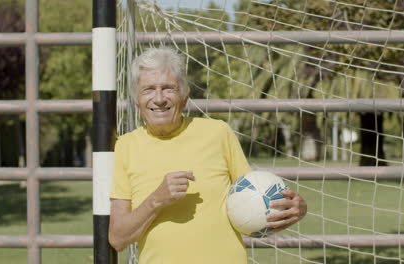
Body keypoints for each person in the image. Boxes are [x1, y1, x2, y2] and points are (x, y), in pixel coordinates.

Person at [108, 47, 307, 264]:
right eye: (148, 89)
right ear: (137, 100)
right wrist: (157, 199)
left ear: (184, 97)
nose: (159, 98)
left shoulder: (218, 133)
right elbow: (118, 238)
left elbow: (255, 205)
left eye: (168, 88)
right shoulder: (125, 146)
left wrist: (294, 210)